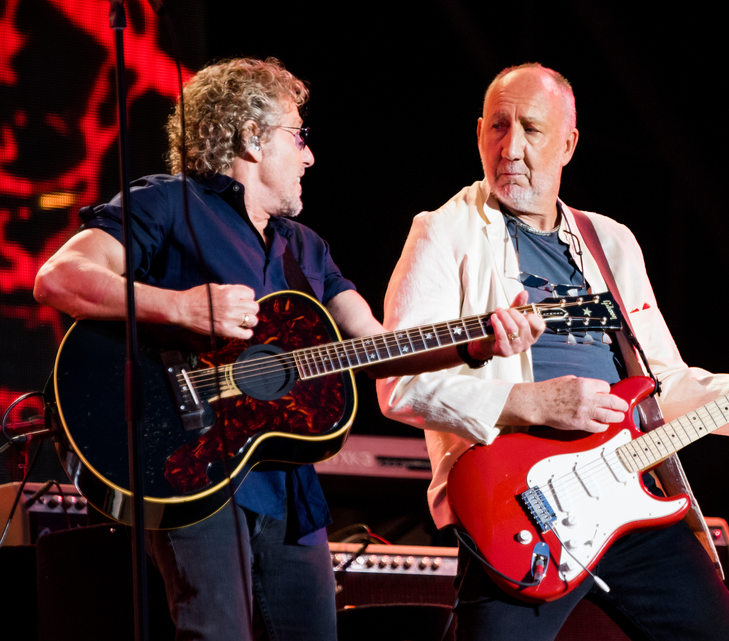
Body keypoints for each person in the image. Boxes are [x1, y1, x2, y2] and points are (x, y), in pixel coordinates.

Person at [33, 57, 542, 641]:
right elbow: (61, 277)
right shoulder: (167, 204)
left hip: (291, 491)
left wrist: (474, 343)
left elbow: (377, 346)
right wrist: (181, 307)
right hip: (190, 469)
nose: (309, 156)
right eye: (298, 136)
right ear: (252, 138)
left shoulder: (307, 249)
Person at [375, 63, 729, 640]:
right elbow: (401, 384)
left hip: (629, 499)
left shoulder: (612, 241)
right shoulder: (443, 233)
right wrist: (534, 403)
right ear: (477, 134)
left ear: (568, 143)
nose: (511, 146)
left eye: (531, 129)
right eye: (498, 126)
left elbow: (666, 384)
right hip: (522, 510)